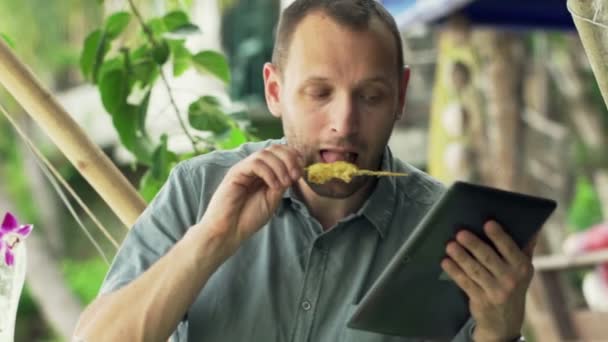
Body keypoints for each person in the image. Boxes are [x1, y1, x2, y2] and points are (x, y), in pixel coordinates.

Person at [74, 1, 535, 341]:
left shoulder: (446, 229)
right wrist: (210, 240)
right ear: (275, 90)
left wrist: (499, 330)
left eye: (371, 96)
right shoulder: (200, 189)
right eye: (319, 93)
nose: (345, 123)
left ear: (400, 95)